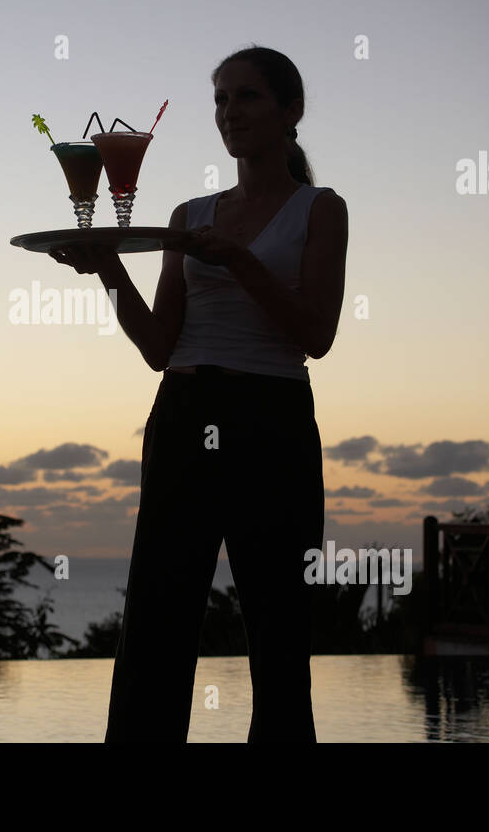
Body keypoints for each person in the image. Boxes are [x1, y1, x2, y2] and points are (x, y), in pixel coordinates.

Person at [50, 45, 348, 742]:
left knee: (279, 630)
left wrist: (241, 261)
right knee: (155, 621)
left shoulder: (320, 209)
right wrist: (109, 272)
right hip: (184, 417)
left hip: (271, 420)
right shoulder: (190, 214)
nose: (229, 112)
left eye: (246, 97)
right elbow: (160, 347)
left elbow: (316, 334)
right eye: (219, 99)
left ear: (290, 111)